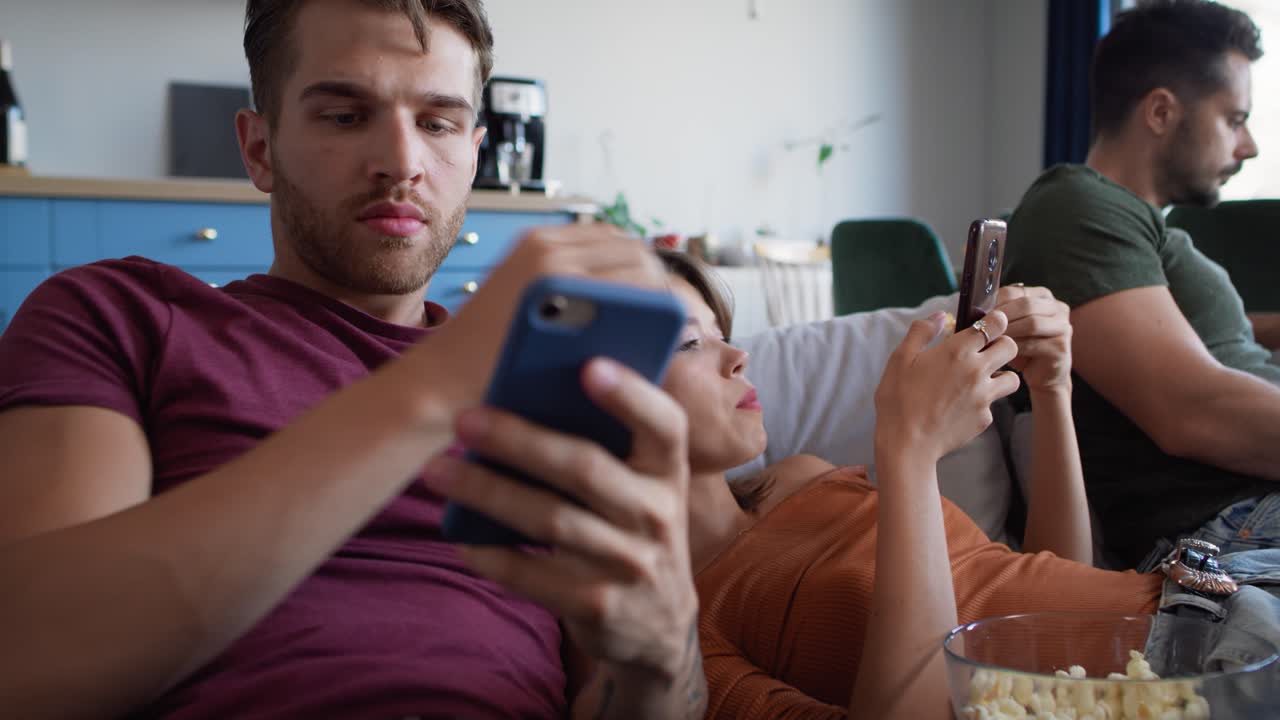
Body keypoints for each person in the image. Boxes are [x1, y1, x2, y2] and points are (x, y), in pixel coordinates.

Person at [0, 1, 707, 718]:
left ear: (474, 155)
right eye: (344, 116)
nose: (402, 164)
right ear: (259, 149)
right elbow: (25, 661)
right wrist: (439, 382)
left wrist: (660, 658)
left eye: (438, 123)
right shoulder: (118, 316)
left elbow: (623, 690)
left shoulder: (554, 386)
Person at [591, 250, 1277, 719]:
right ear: (597, 401)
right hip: (1197, 675)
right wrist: (909, 455)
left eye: (724, 334)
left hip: (1216, 594)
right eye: (690, 342)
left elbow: (1050, 593)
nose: (740, 356)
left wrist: (1052, 391)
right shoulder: (675, 629)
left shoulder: (800, 477)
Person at [1003, 0, 1280, 570]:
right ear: (1160, 111)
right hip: (1232, 523)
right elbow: (1191, 411)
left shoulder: (1133, 227)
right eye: (1233, 119)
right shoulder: (1073, 206)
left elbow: (1174, 338)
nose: (1248, 145)